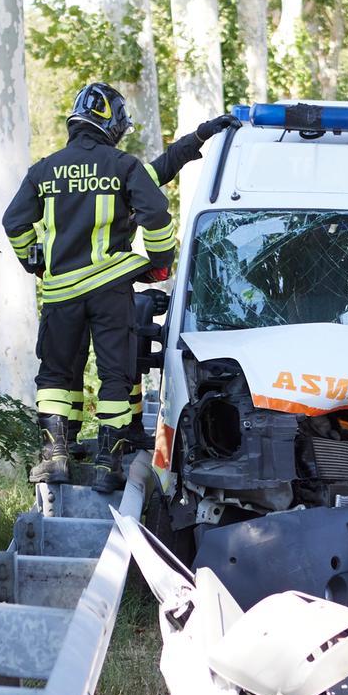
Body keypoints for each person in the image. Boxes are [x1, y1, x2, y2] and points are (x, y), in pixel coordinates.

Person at [2, 82, 223, 492]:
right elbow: (155, 210)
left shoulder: (45, 169)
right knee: (115, 378)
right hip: (110, 290)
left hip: (60, 294)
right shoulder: (122, 167)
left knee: (55, 376)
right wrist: (160, 264)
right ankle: (110, 464)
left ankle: (55, 459)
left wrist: (33, 259)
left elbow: (14, 222)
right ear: (112, 122)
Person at [63, 116, 238, 453]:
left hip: (71, 290)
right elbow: (162, 170)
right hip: (104, 289)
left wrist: (199, 135)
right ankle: (94, 442)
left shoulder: (72, 180)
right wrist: (156, 266)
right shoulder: (120, 176)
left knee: (108, 364)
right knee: (113, 365)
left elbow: (167, 165)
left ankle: (85, 441)